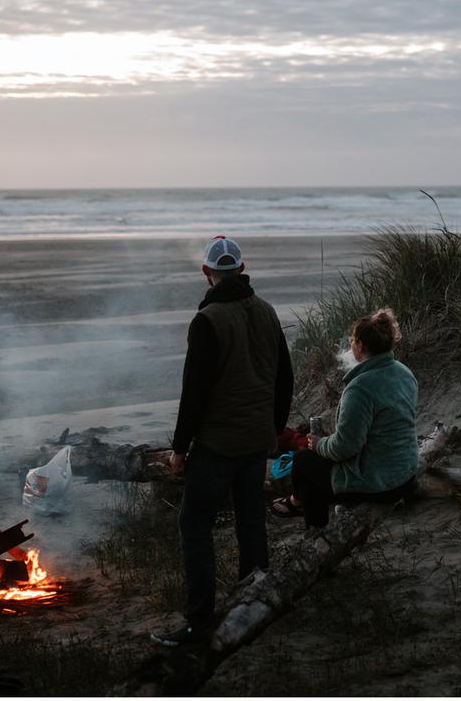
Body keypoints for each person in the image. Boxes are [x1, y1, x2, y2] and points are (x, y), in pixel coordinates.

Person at [152, 236, 295, 648]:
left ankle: (199, 623)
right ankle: (255, 606)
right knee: (251, 519)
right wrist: (274, 429)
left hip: (218, 443)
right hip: (255, 440)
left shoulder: (208, 319)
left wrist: (180, 447)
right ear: (242, 267)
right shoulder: (267, 311)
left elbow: (193, 392)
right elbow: (284, 378)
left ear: (206, 272)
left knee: (194, 524)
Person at [270, 308, 418, 529]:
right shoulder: (404, 372)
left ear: (359, 345)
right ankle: (301, 506)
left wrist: (319, 444)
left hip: (380, 483)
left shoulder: (360, 388)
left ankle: (315, 528)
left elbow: (345, 448)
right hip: (406, 473)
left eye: (352, 341)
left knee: (304, 462)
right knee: (313, 462)